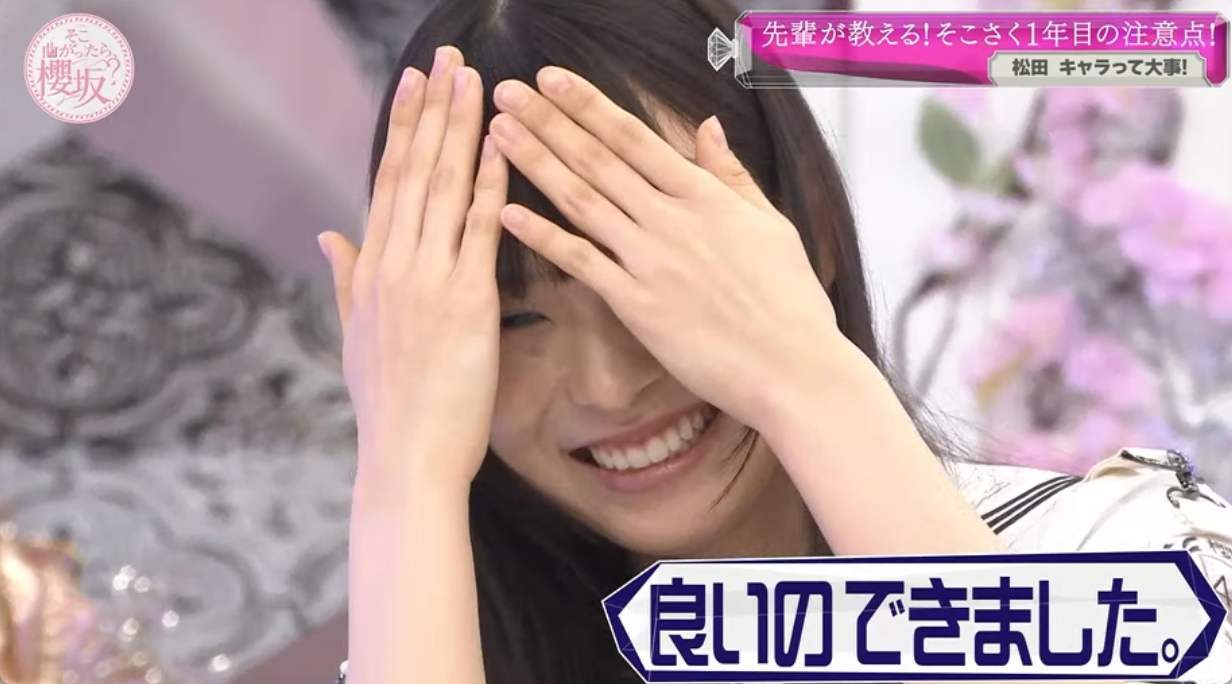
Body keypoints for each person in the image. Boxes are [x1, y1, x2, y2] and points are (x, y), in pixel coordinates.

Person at [312, 0, 1232, 682]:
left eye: (650, 267)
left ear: (812, 229)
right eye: (512, 317)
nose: (607, 384)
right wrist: (403, 480)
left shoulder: (1125, 562)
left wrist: (807, 383)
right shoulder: (429, 650)